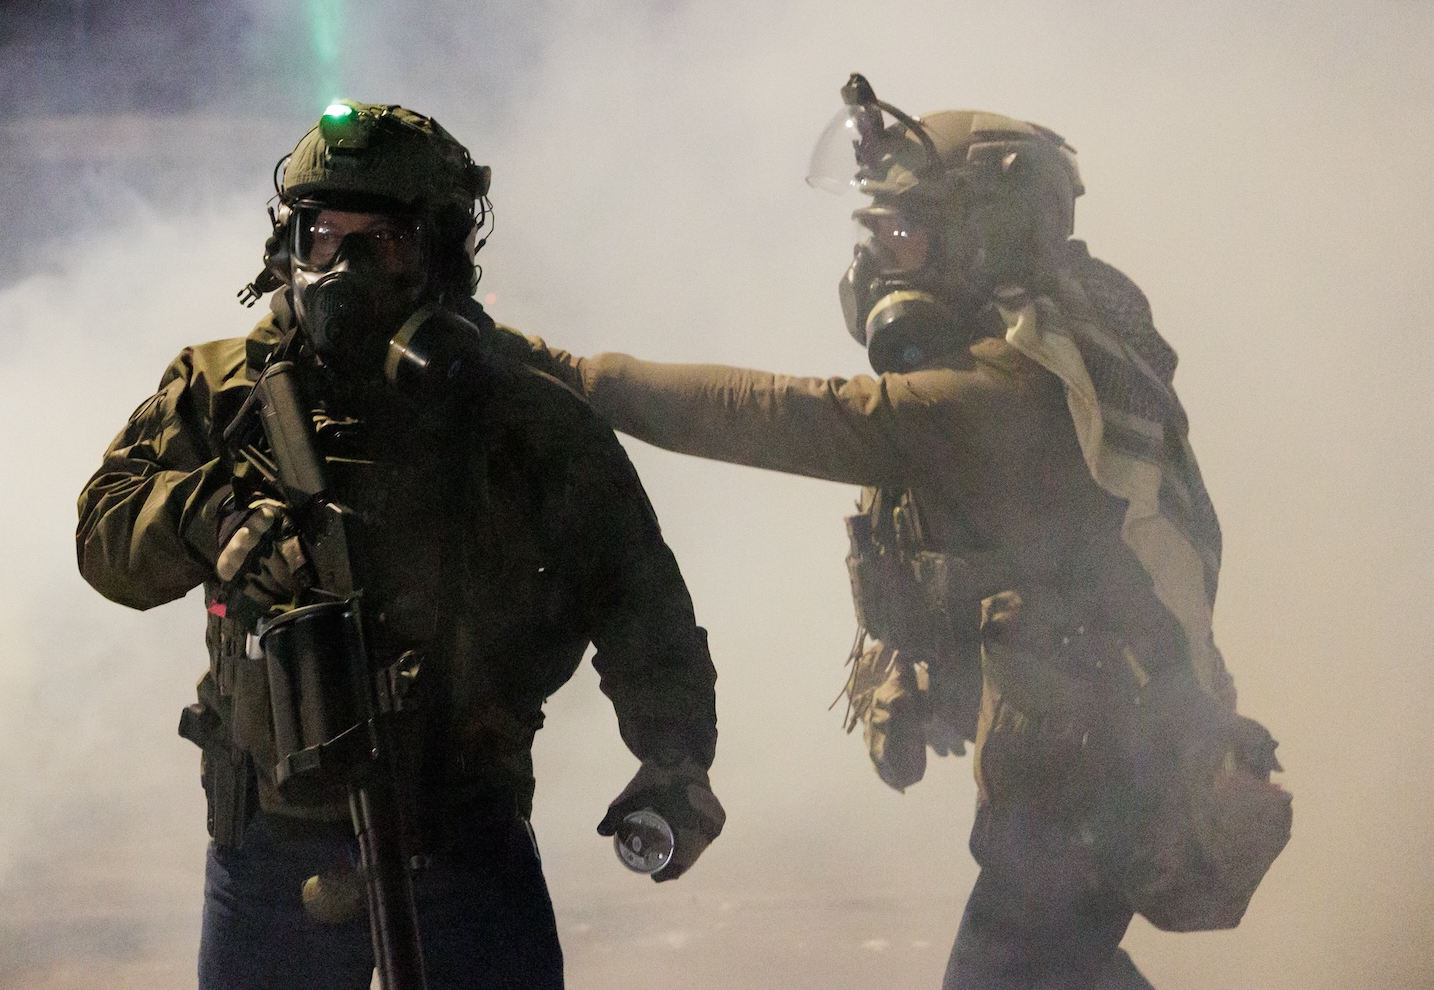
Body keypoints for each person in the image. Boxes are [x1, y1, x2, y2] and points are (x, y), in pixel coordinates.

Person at [508, 76, 1289, 989]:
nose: (879, 266)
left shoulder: (1014, 390)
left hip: (1110, 781)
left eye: (906, 235)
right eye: (873, 236)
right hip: (1076, 769)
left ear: (987, 240)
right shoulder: (1043, 353)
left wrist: (569, 374)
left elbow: (787, 417)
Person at [75, 101, 725, 990]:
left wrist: (673, 759)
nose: (338, 272)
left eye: (375, 245)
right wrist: (204, 518)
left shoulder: (522, 414)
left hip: (462, 838)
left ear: (441, 256)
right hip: (275, 853)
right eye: (319, 239)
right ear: (284, 247)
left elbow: (639, 599)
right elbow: (103, 533)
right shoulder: (222, 391)